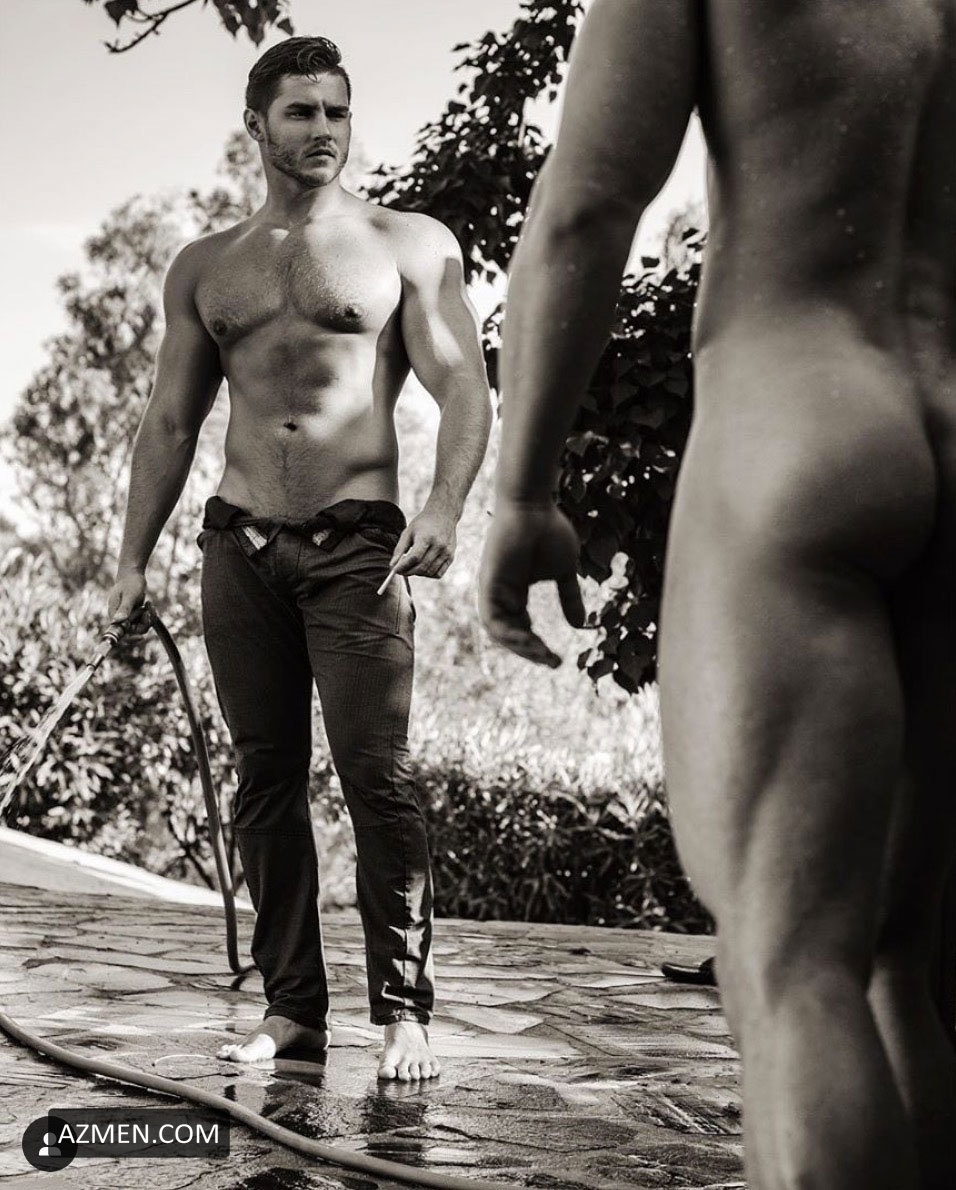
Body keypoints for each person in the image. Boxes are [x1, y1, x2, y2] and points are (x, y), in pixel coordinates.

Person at [478, 1, 955, 1187]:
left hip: (800, 411)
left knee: (794, 968)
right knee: (903, 969)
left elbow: (586, 205)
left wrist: (523, 490)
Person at [107, 36, 492, 1082]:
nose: (323, 129)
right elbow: (170, 420)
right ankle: (292, 1010)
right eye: (301, 111)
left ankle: (403, 1010)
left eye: (336, 110)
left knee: (379, 778)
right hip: (239, 545)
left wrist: (445, 505)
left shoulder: (407, 245)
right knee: (264, 779)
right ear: (257, 125)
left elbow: (465, 386)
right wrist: (130, 561)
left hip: (359, 549)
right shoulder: (205, 266)